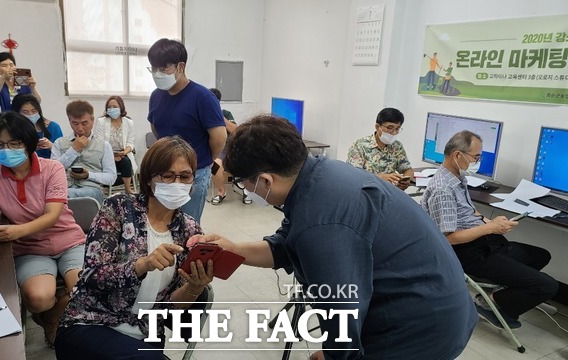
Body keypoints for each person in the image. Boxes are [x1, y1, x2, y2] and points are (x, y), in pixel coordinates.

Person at [191, 114, 477, 360]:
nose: (246, 190)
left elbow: (342, 306)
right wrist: (233, 249)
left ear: (266, 180)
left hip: (420, 326)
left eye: (243, 183)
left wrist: (333, 354)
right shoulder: (318, 175)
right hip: (438, 301)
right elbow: (286, 245)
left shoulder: (322, 221)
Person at [55, 136, 214, 359]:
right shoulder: (119, 208)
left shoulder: (189, 230)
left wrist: (195, 287)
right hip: (93, 322)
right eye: (167, 176)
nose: (177, 182)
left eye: (185, 176)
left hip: (145, 333)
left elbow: (171, 307)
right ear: (149, 179)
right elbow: (92, 275)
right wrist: (143, 264)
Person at [0, 111, 86, 348]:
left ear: (28, 143)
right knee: (37, 298)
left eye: (14, 143)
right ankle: (49, 312)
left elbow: (52, 215)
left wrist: (16, 231)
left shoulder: (52, 169)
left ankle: (52, 317)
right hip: (30, 249)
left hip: (68, 241)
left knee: (85, 291)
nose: (6, 149)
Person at [421, 130, 568, 329]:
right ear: (457, 155)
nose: (478, 161)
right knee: (548, 285)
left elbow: (467, 212)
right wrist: (490, 227)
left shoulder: (456, 177)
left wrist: (488, 221)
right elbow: (449, 238)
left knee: (541, 255)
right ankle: (493, 303)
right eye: (476, 157)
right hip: (468, 252)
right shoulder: (443, 189)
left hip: (485, 243)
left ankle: (508, 294)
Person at [147, 38, 226, 222]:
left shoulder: (202, 97)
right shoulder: (156, 96)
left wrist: (201, 161)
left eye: (163, 68)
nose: (157, 73)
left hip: (194, 173)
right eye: (154, 68)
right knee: (162, 222)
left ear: (180, 67)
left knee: (187, 224)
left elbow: (219, 138)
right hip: (164, 172)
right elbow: (156, 127)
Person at [51, 100, 117, 204]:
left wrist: (88, 175)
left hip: (91, 189)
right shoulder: (59, 143)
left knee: (61, 196)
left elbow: (111, 177)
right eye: (75, 123)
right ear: (69, 121)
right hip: (65, 187)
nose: (80, 128)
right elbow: (52, 172)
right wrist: (74, 150)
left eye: (84, 123)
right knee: (57, 194)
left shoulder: (104, 146)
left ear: (92, 120)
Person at [346, 108, 414, 190]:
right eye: (390, 127)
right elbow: (354, 176)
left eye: (397, 128)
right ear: (378, 127)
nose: (394, 132)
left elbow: (407, 169)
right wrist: (380, 178)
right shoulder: (360, 145)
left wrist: (406, 180)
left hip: (390, 194)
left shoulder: (397, 146)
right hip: (365, 193)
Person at [207, 88, 251, 205]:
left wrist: (219, 116)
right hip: (213, 148)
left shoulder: (225, 113)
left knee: (246, 161)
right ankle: (222, 192)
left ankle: (246, 189)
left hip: (229, 146)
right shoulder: (203, 114)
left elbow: (234, 130)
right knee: (215, 166)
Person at [95, 96, 136, 194]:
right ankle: (105, 186)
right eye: (109, 107)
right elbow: (99, 142)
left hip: (123, 154)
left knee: (126, 161)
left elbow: (131, 142)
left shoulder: (129, 122)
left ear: (121, 107)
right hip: (106, 154)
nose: (111, 109)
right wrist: (111, 156)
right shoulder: (101, 122)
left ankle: (127, 189)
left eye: (114, 106)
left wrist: (124, 152)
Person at [11, 94, 63, 159]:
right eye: (25, 112)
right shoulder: (11, 130)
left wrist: (51, 146)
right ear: (17, 113)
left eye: (34, 111)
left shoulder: (53, 128)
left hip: (48, 166)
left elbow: (63, 154)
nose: (30, 114)